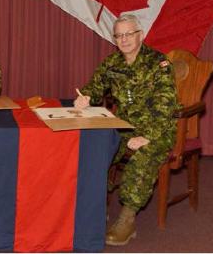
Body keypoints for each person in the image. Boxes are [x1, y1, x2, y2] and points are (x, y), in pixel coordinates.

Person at [74, 14, 178, 246]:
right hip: (123, 126)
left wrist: (146, 136)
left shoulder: (158, 63)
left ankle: (127, 219)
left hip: (157, 130)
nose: (124, 39)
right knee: (95, 149)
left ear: (140, 35)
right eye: (119, 35)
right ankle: (95, 207)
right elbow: (95, 86)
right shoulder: (112, 63)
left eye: (129, 34)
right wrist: (86, 97)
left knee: (142, 158)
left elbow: (165, 105)